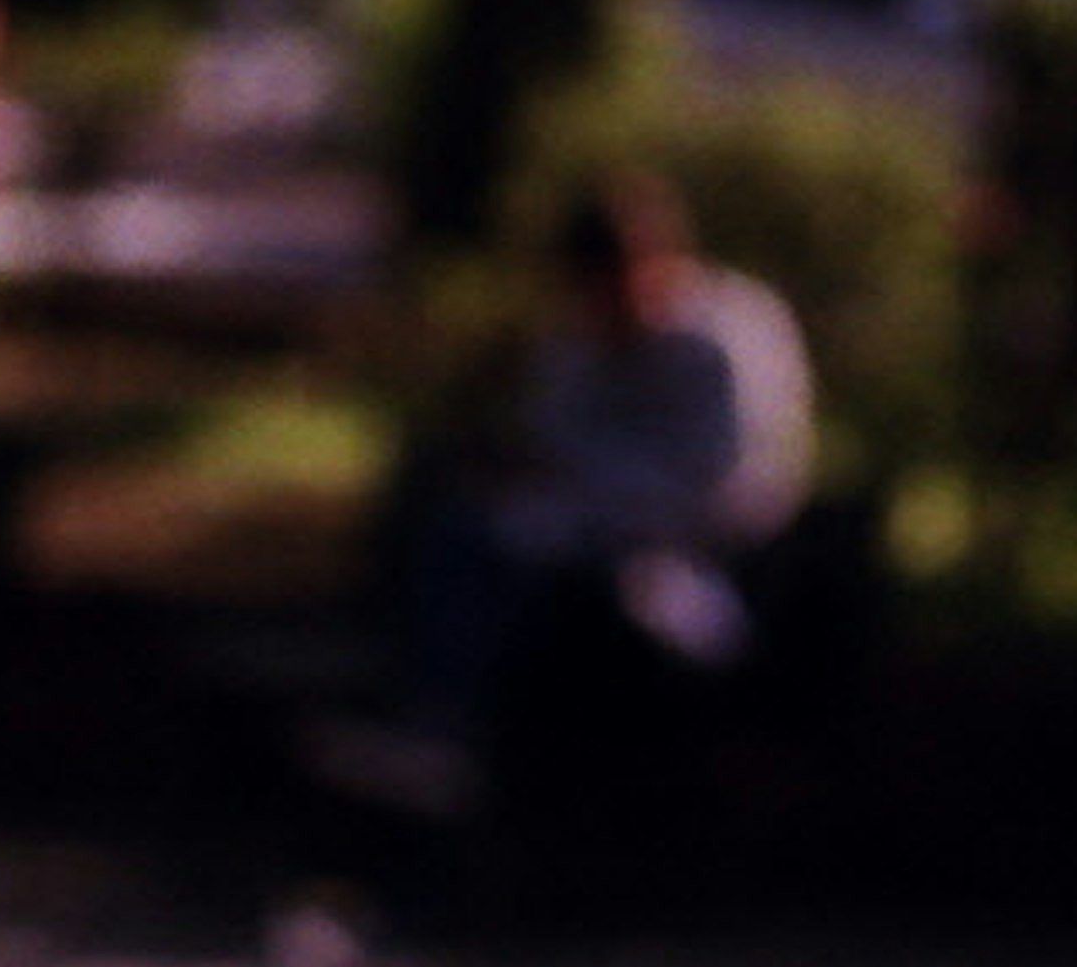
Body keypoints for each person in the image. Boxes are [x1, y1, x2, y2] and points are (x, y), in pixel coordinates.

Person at [318, 170, 816, 815]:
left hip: (702, 563)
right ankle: (424, 720)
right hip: (574, 531)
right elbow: (550, 440)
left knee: (519, 565)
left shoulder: (729, 339)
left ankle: (451, 734)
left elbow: (738, 491)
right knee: (444, 498)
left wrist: (585, 490)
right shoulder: (581, 338)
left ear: (658, 264)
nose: (600, 311)